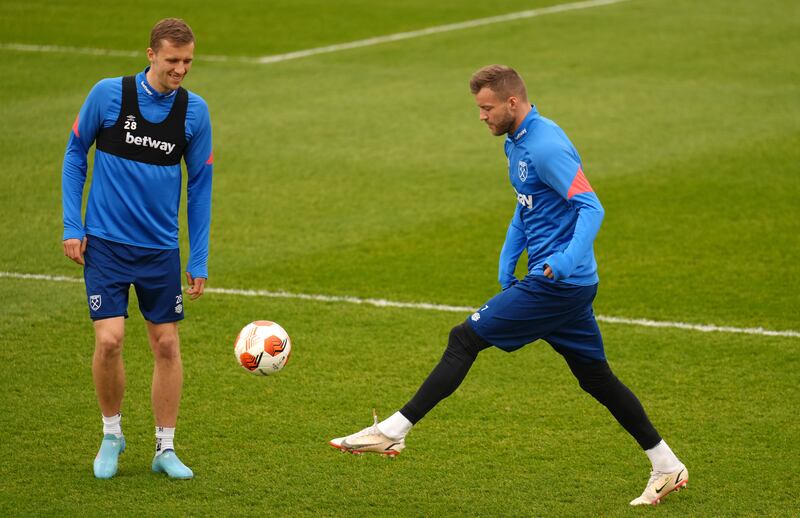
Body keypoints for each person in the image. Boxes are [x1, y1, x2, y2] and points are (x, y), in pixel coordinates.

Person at [329, 65, 687, 506]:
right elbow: (526, 207)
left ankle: (393, 432)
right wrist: (507, 259)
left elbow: (591, 207)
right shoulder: (516, 143)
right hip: (562, 285)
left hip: (557, 284)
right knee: (597, 378)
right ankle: (667, 465)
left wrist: (562, 261)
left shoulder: (547, 145)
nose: (481, 116)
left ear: (512, 103)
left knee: (464, 338)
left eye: (486, 108)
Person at [62, 18, 213, 480]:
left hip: (159, 249)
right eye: (172, 60)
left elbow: (201, 185)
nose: (181, 69)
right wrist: (73, 223)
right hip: (105, 243)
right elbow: (75, 153)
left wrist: (199, 257)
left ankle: (165, 448)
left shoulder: (194, 112)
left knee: (166, 344)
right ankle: (112, 434)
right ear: (150, 54)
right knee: (109, 341)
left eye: (187, 61)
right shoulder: (108, 95)